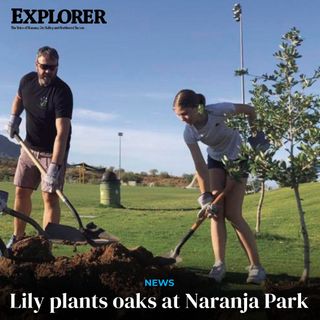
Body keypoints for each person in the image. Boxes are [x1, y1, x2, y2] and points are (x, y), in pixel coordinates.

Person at [173, 89, 267, 284]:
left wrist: (256, 138)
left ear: (196, 107)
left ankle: (256, 267)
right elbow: (200, 165)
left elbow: (250, 110)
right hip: (215, 160)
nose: (182, 119)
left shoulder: (220, 110)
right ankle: (219, 265)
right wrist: (205, 197)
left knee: (233, 214)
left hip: (239, 157)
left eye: (184, 113)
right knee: (215, 212)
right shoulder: (188, 132)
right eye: (178, 115)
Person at [5, 46, 73, 250]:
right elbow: (18, 98)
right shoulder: (26, 81)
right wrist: (14, 119)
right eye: (44, 67)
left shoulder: (62, 92)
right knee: (21, 193)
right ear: (36, 65)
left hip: (53, 151)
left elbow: (62, 133)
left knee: (49, 197)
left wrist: (54, 167)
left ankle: (46, 244)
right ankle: (18, 238)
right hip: (28, 147)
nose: (48, 72)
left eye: (53, 68)